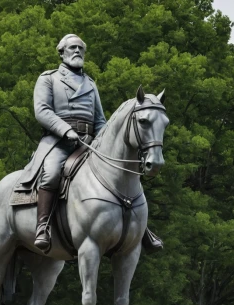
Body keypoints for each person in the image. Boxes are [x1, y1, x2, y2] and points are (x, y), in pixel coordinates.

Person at [15, 33, 162, 253]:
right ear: (62, 52)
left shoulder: (90, 84)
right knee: (52, 172)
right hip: (58, 140)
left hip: (89, 142)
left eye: (81, 49)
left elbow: (100, 120)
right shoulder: (49, 78)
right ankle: (43, 226)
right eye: (72, 48)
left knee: (124, 175)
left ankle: (141, 229)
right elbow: (42, 111)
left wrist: (104, 140)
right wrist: (65, 130)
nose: (77, 52)